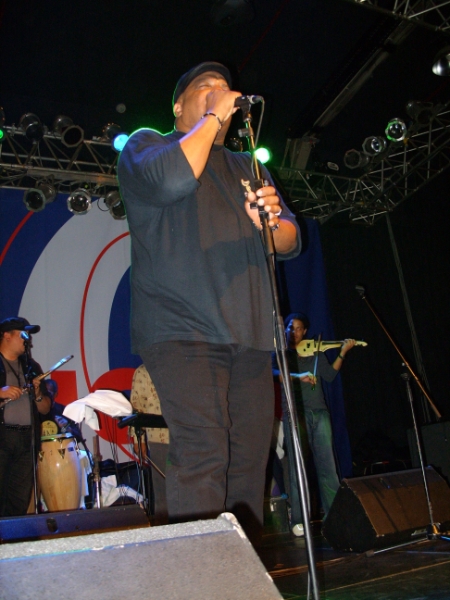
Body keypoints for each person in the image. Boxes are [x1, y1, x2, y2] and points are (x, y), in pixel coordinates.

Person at [117, 61, 301, 542]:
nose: (221, 92)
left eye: (225, 89)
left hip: (251, 333)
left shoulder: (247, 165)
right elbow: (172, 181)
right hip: (181, 328)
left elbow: (289, 240)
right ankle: (199, 575)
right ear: (178, 105)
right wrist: (215, 116)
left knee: (249, 461)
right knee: (203, 452)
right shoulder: (147, 145)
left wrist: (271, 222)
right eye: (206, 87)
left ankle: (242, 570)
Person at [273, 313, 355, 536]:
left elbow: (329, 375)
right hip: (295, 414)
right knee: (298, 467)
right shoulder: (281, 353)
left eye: (299, 328)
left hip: (319, 413)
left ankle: (335, 516)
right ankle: (299, 519)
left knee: (328, 467)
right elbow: (275, 374)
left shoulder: (315, 351)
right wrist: (299, 376)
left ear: (305, 331)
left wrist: (342, 353)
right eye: (291, 328)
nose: (295, 332)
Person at [0, 317, 51, 516]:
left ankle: (13, 535)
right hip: (3, 436)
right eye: (23, 334)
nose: (27, 339)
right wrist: (1, 391)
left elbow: (45, 409)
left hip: (26, 439)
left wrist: (37, 394)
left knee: (19, 499)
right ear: (7, 335)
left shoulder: (31, 367)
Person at [129, 364, 169, 524]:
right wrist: (138, 439)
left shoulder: (182, 363)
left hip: (186, 438)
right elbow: (137, 407)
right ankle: (166, 532)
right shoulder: (144, 371)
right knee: (163, 493)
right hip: (160, 440)